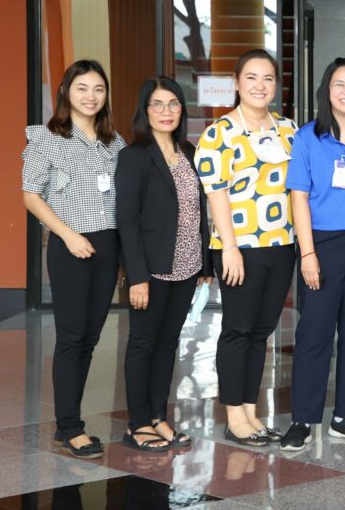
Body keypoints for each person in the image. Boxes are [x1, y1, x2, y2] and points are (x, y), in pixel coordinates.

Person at [279, 58, 345, 451]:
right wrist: (307, 254)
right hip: (321, 245)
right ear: (327, 90)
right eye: (340, 84)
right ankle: (303, 420)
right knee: (314, 334)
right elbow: (299, 198)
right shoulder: (308, 137)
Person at [22, 59, 126, 458]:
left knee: (90, 338)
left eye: (98, 89)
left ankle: (68, 420)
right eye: (83, 88)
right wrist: (67, 235)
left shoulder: (113, 141)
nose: (91, 96)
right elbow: (31, 194)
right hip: (71, 248)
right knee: (71, 338)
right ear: (66, 91)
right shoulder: (46, 138)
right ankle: (70, 427)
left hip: (108, 246)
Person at [194, 49, 298, 447]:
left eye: (268, 78)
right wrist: (230, 249)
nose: (260, 85)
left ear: (276, 85)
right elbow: (215, 195)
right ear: (237, 83)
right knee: (237, 330)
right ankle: (234, 415)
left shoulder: (288, 129)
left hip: (281, 244)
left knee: (261, 332)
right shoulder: (219, 133)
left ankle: (252, 412)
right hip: (239, 247)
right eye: (251, 77)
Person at [116, 77, 212, 451]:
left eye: (173, 104)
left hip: (187, 265)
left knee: (168, 343)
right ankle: (137, 423)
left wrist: (205, 266)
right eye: (157, 104)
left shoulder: (188, 151)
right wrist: (136, 276)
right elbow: (128, 220)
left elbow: (197, 211)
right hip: (152, 270)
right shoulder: (134, 156)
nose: (166, 111)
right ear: (145, 110)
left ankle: (158, 416)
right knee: (143, 343)